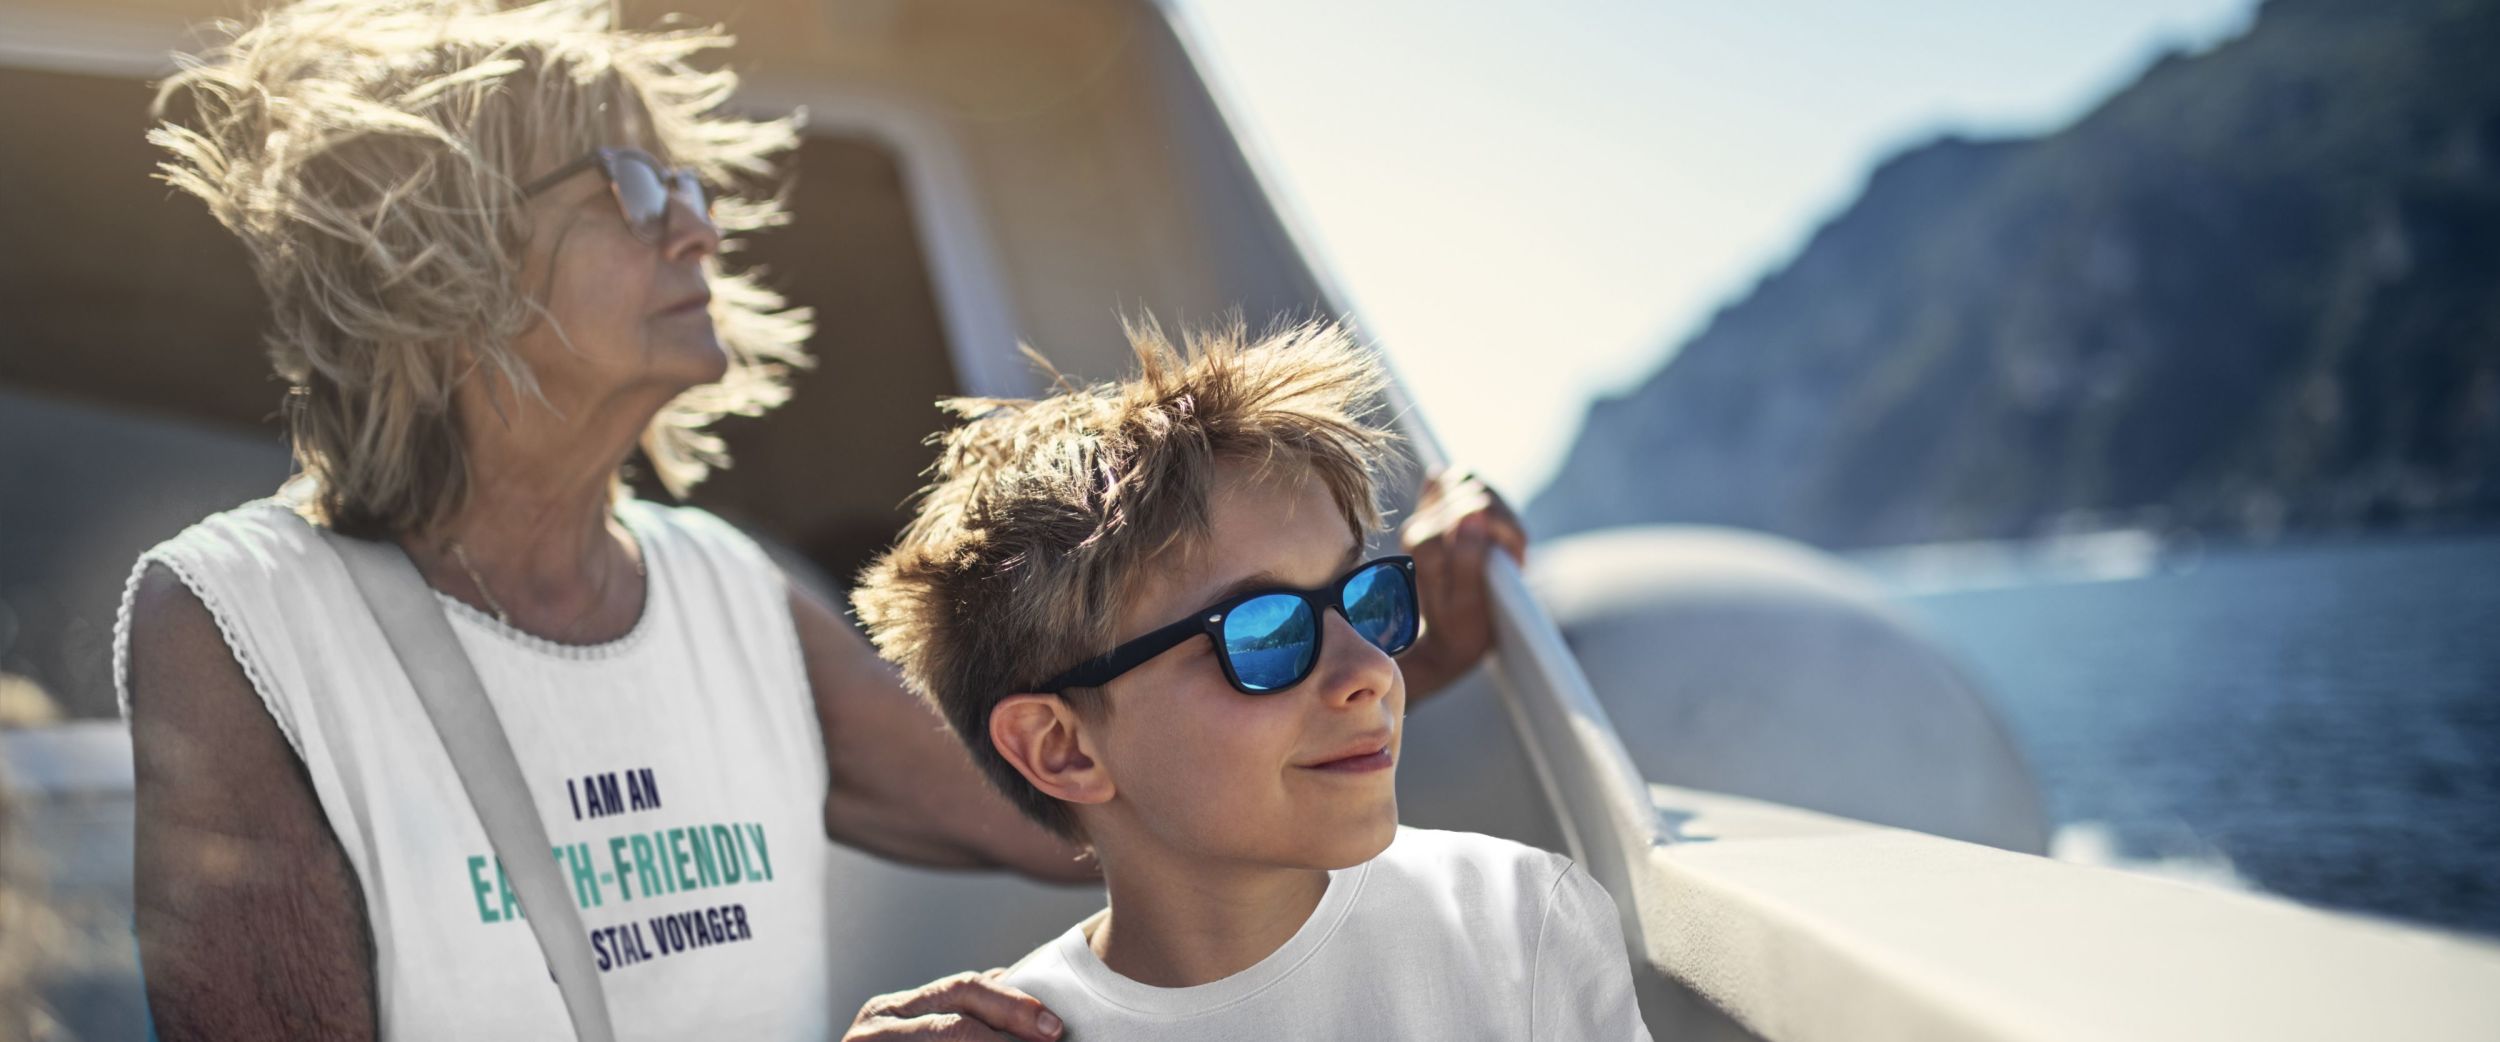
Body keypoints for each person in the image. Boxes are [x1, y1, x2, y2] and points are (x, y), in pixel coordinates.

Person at [116, 1, 1523, 1038]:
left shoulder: (726, 589)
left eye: (691, 184)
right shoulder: (241, 617)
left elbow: (1092, 789)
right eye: (631, 187)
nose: (699, 228)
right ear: (447, 244)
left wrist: (1411, 623)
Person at [850, 320, 1649, 1040]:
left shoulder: (1515, 921)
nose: (1370, 672)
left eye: (1365, 600)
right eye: (1262, 633)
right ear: (1062, 749)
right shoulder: (1013, 1033)